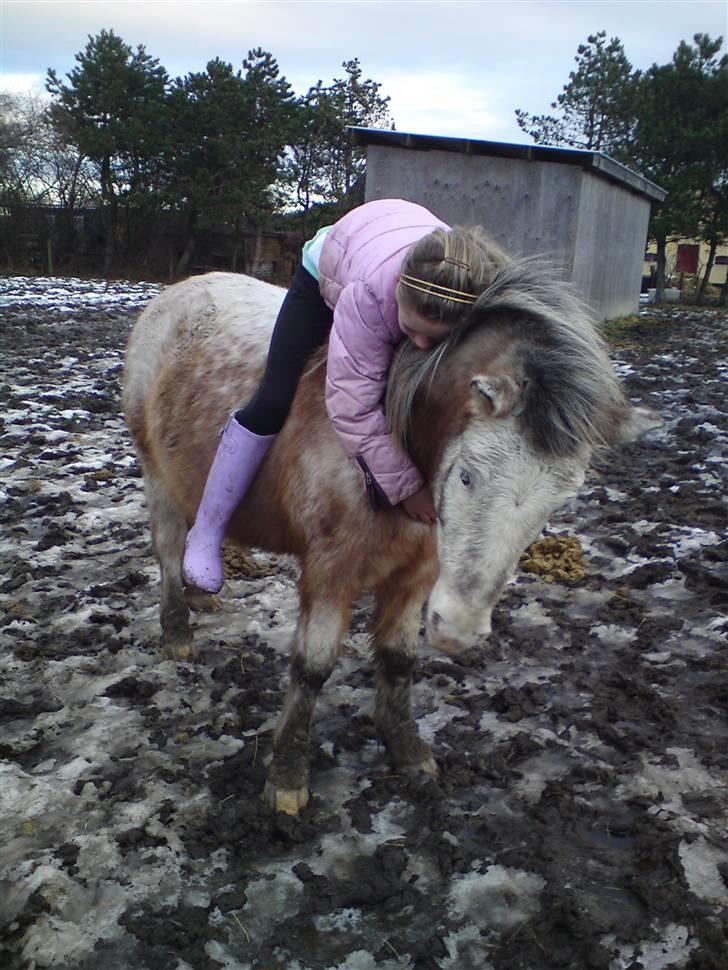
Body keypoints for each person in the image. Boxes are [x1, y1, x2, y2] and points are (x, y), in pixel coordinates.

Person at [183, 198, 506, 593]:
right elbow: (351, 406)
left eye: (434, 338)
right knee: (274, 396)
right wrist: (405, 488)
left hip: (389, 242)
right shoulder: (369, 297)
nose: (419, 344)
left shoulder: (470, 293)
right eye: (412, 328)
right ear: (400, 292)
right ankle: (207, 529)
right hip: (328, 268)